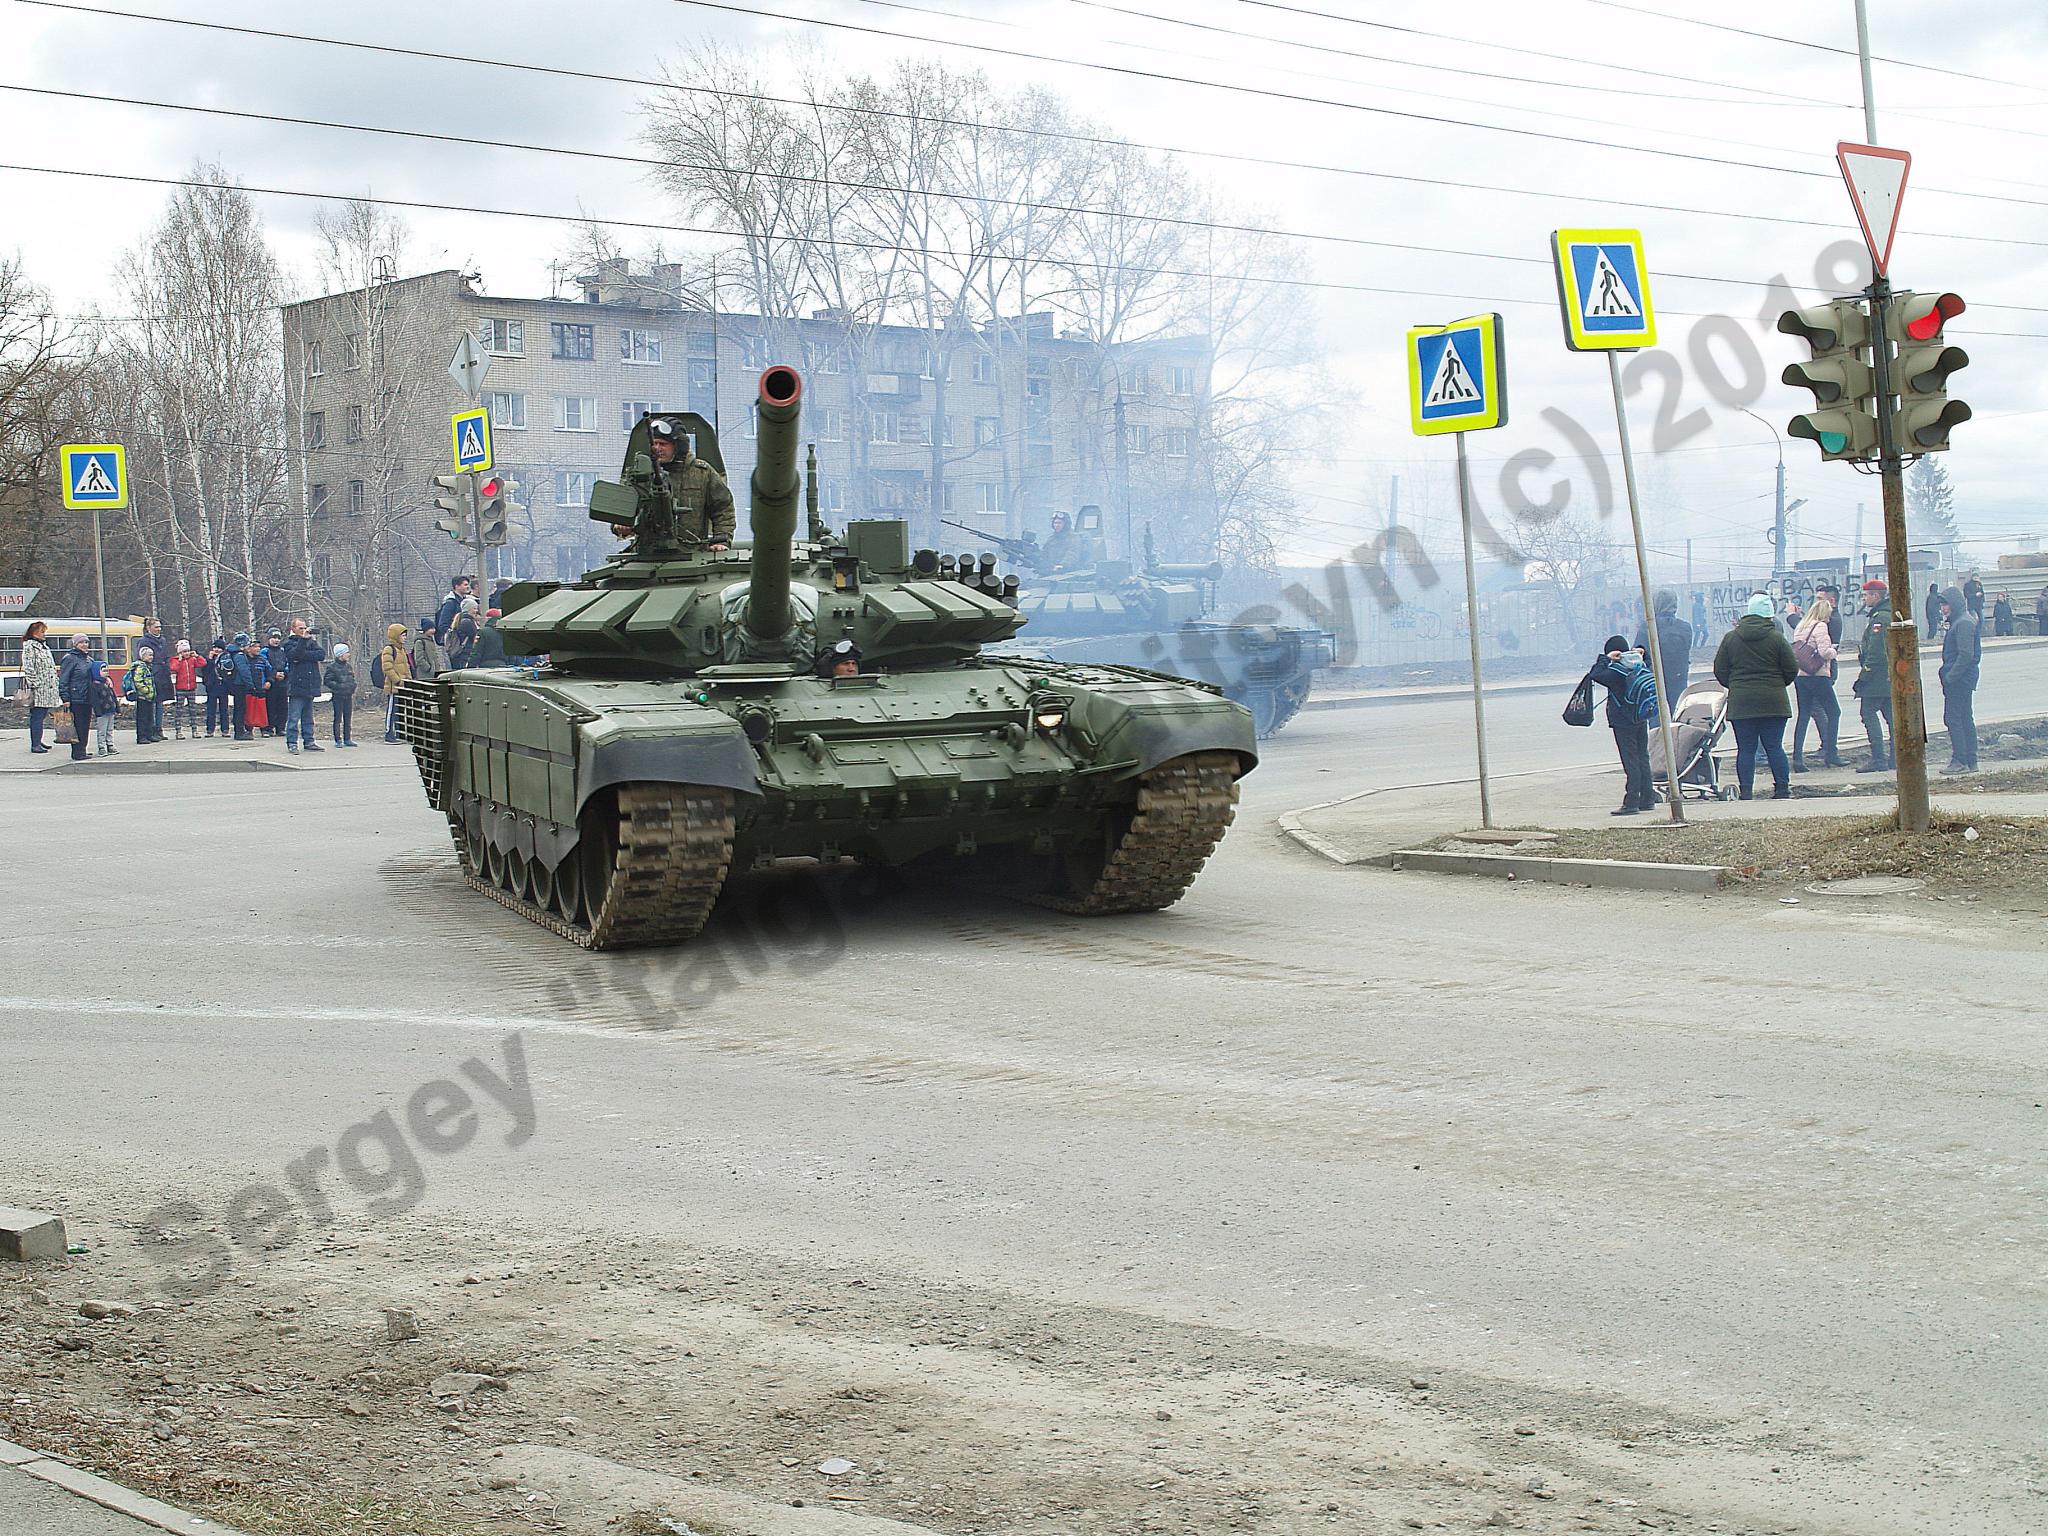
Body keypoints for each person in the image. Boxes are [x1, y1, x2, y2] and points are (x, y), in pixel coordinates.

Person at [1712, 593, 1798, 800]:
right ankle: (1782, 790)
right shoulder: (1777, 638)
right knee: (1774, 747)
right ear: (1769, 615)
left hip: (1742, 703)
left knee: (1746, 749)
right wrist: (1777, 684)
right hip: (1774, 701)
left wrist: (1735, 685)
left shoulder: (1731, 638)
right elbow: (1792, 668)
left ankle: (1747, 791)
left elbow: (1719, 669)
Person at [643, 416, 735, 551]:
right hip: (647, 557)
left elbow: (723, 508)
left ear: (678, 446)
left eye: (663, 444)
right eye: (655, 443)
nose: (657, 448)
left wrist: (722, 539)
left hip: (694, 555)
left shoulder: (702, 473)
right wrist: (621, 525)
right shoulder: (642, 474)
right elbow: (623, 506)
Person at [1589, 635, 1656, 815]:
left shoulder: (1616, 672)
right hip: (1641, 717)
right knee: (1643, 757)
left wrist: (1605, 659)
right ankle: (1648, 799)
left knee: (1630, 759)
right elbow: (1650, 660)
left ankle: (1631, 802)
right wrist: (1641, 651)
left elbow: (1594, 674)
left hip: (1622, 720)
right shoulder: (1640, 665)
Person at [1789, 597, 1841, 773]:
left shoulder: (1801, 626)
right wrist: (1835, 650)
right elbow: (1825, 652)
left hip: (1801, 676)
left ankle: (1797, 758)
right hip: (1818, 676)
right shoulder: (1820, 626)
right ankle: (1831, 753)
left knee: (1803, 715)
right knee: (1834, 712)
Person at [1851, 580, 1894, 773]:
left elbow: (1876, 652)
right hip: (1887, 677)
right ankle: (1894, 758)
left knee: (1868, 714)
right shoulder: (1885, 614)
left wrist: (1864, 676)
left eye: (1866, 595)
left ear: (1876, 596)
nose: (1864, 598)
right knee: (1891, 717)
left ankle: (1879, 759)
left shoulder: (1880, 618)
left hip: (1877, 678)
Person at [1937, 586, 1981, 775]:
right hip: (1961, 679)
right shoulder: (1961, 621)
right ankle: (1970, 760)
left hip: (1960, 680)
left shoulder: (1963, 623)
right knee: (1963, 718)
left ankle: (1960, 760)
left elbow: (1965, 655)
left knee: (1954, 718)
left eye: (1945, 604)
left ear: (1954, 604)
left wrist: (1950, 677)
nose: (1943, 609)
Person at [1634, 589, 1691, 717]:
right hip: (1678, 678)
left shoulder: (1648, 627)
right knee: (1677, 714)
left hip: (1654, 679)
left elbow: (1637, 654)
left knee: (1656, 718)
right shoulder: (1685, 627)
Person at [280, 619, 326, 753]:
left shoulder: (312, 642)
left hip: (310, 684)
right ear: (293, 629)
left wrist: (305, 654)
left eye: (305, 628)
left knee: (308, 717)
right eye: (300, 628)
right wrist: (303, 642)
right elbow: (295, 655)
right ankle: (292, 743)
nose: (303, 630)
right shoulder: (289, 644)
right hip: (297, 685)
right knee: (294, 717)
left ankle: (309, 741)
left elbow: (321, 655)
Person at [20, 619, 57, 754]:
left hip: (47, 688)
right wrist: (35, 684)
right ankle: (35, 744)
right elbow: (29, 667)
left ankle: (38, 740)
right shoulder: (30, 646)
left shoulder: (43, 646)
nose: (44, 634)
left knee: (41, 716)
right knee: (37, 716)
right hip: (39, 689)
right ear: (34, 633)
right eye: (42, 632)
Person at [58, 633, 97, 762]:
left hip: (87, 697)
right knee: (77, 725)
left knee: (85, 725)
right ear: (75, 644)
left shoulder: (89, 660)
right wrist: (65, 698)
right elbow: (64, 679)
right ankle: (77, 752)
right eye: (81, 642)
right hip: (76, 697)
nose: (85, 645)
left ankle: (83, 749)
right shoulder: (70, 658)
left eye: (86, 642)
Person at [379, 622, 413, 741]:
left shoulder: (402, 650)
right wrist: (397, 680)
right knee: (392, 711)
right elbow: (387, 667)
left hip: (404, 686)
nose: (404, 638)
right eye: (402, 635)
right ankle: (389, 734)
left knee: (400, 711)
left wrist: (409, 680)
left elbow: (406, 666)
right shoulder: (389, 649)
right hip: (394, 686)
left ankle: (400, 734)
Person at [231, 634, 269, 742]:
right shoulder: (239, 655)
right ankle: (239, 732)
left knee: (239, 708)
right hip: (239, 685)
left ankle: (239, 730)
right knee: (240, 709)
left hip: (236, 684)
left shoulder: (235, 653)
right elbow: (244, 671)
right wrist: (250, 685)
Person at [166, 639, 204, 739]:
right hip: (180, 688)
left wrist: (197, 656)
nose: (186, 653)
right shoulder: (175, 660)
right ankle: (178, 731)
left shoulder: (192, 660)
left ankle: (194, 730)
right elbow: (174, 668)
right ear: (180, 652)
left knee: (193, 710)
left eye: (187, 651)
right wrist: (179, 660)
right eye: (184, 652)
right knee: (179, 710)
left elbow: (202, 663)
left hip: (191, 688)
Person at [323, 643, 358, 748]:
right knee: (338, 717)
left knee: (348, 717)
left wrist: (352, 686)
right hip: (338, 696)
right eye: (346, 652)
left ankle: (348, 738)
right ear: (340, 654)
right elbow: (327, 681)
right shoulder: (332, 667)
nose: (348, 654)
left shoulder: (348, 666)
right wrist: (339, 687)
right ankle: (338, 739)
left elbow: (352, 678)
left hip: (348, 695)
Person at [126, 644, 159, 745]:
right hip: (143, 696)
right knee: (142, 717)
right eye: (149, 655)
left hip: (149, 697)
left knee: (149, 716)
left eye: (152, 655)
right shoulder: (141, 667)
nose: (151, 657)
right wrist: (146, 690)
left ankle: (149, 734)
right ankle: (142, 736)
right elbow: (138, 680)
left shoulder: (148, 666)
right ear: (142, 656)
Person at [261, 629, 289, 737]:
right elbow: (265, 664)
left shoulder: (283, 651)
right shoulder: (265, 651)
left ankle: (280, 727)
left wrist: (284, 673)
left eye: (278, 638)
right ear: (269, 639)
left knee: (282, 706)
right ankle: (268, 728)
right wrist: (274, 674)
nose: (276, 640)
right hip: (271, 683)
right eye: (274, 638)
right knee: (270, 706)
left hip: (282, 683)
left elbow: (287, 663)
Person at [203, 640, 233, 737]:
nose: (216, 650)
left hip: (223, 686)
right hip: (212, 686)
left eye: (219, 648)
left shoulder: (226, 658)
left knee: (224, 709)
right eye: (215, 647)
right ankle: (210, 729)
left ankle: (225, 729)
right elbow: (204, 671)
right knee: (211, 709)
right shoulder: (208, 659)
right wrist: (210, 660)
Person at [434, 576, 473, 644]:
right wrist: (454, 636)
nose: (468, 587)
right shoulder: (450, 603)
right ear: (456, 586)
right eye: (465, 584)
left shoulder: (465, 600)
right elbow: (443, 624)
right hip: (457, 643)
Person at [447, 596, 481, 668]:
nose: (476, 611)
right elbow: (475, 636)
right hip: (465, 654)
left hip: (461, 654)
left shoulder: (461, 620)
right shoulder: (467, 622)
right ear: (468, 609)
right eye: (474, 608)